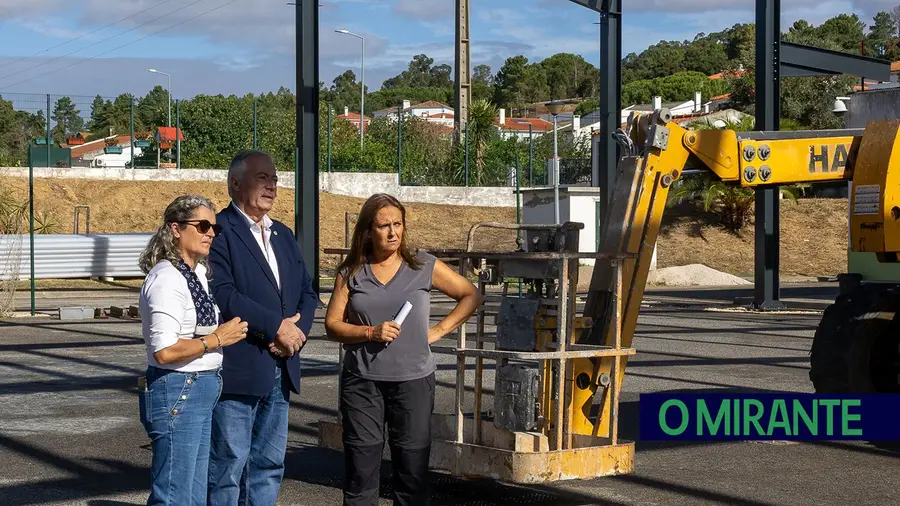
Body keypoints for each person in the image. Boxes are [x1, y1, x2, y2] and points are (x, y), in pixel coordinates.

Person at [324, 193, 483, 506]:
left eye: (398, 224)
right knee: (361, 473)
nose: (393, 232)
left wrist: (438, 330)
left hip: (413, 382)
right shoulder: (352, 271)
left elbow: (471, 295)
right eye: (384, 226)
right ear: (368, 231)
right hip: (362, 383)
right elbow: (332, 325)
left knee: (412, 475)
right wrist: (369, 331)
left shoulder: (423, 265)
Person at [206, 149, 318, 506]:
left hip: (282, 367)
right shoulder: (219, 232)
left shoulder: (283, 234)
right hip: (240, 367)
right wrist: (275, 329)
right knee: (229, 465)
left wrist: (295, 337)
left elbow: (307, 291)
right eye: (262, 178)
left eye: (274, 179)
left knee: (269, 464)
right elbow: (223, 293)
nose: (271, 186)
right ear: (236, 184)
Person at [137, 194, 249, 506]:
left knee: (194, 492)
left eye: (214, 227)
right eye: (202, 226)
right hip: (178, 388)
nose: (211, 233)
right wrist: (217, 339)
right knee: (175, 494)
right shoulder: (166, 279)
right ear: (175, 228)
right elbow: (164, 351)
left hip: (199, 386)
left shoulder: (196, 273)